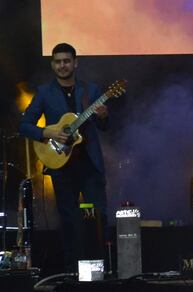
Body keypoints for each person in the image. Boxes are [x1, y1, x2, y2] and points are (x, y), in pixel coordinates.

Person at [20, 43, 109, 271]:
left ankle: (101, 270)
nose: (62, 65)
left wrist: (103, 116)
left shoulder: (92, 90)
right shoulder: (44, 92)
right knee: (70, 223)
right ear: (52, 65)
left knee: (98, 219)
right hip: (61, 166)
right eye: (58, 62)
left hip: (89, 165)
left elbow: (106, 126)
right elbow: (25, 126)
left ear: (75, 63)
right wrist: (48, 132)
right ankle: (72, 272)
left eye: (66, 61)